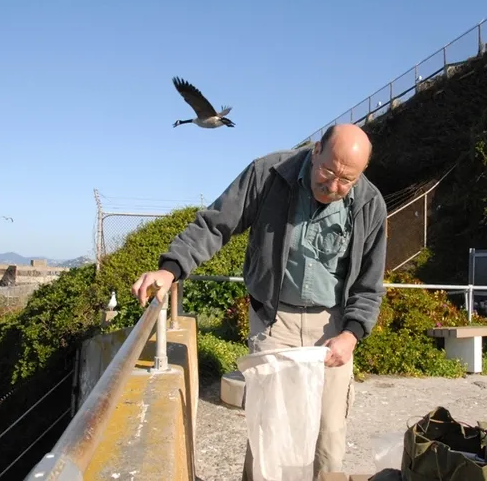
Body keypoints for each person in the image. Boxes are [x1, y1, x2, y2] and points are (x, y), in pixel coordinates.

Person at [131, 123, 388, 479]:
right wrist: (170, 270)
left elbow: (369, 282)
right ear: (316, 150)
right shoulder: (268, 174)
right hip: (274, 318)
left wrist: (353, 334)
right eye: (328, 172)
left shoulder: (369, 204)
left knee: (328, 437)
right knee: (269, 432)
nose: (333, 187)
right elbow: (215, 224)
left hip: (333, 325)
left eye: (346, 180)